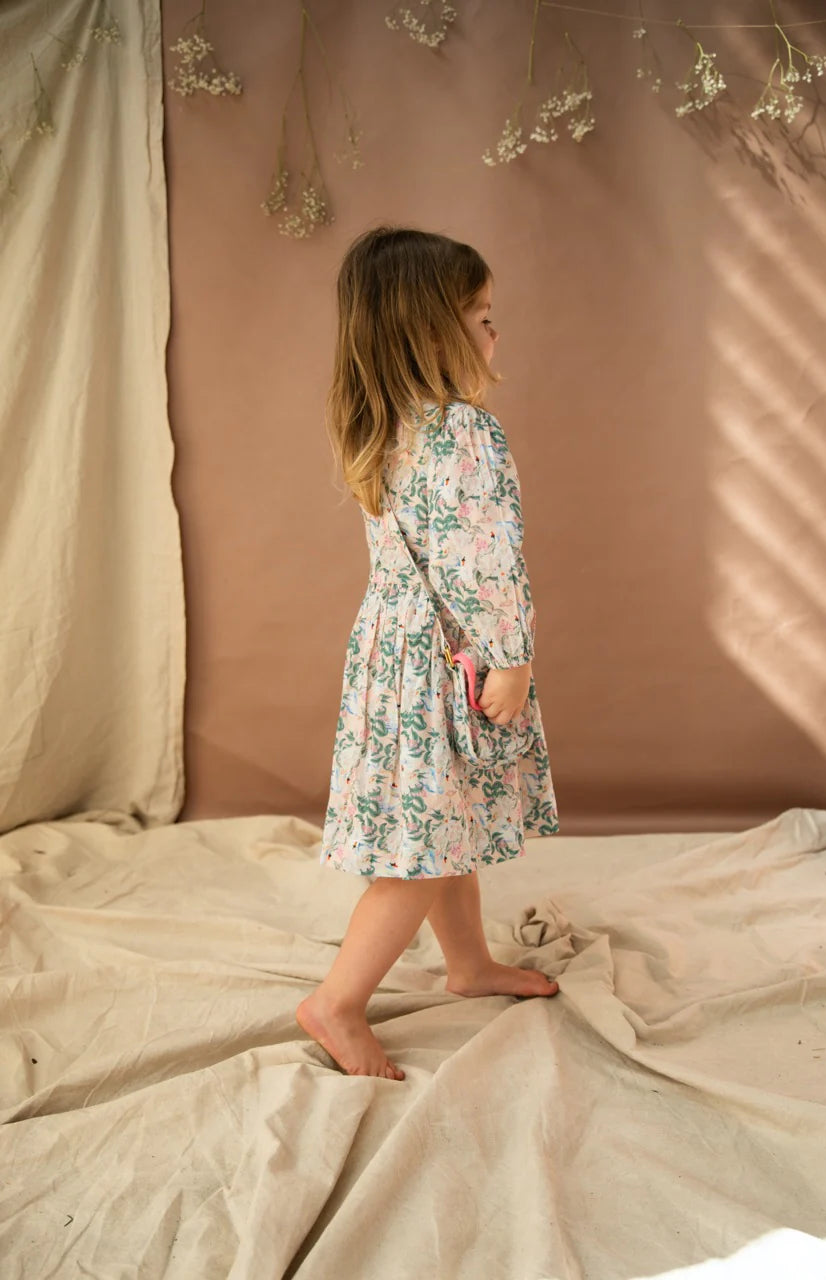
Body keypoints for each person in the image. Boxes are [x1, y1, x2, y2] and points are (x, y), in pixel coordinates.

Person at [296, 226, 560, 1081]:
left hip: (395, 651)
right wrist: (511, 657)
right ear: (429, 333)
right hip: (453, 655)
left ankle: (468, 963)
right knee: (422, 850)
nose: (495, 335)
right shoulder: (463, 433)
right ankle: (336, 1002)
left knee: (445, 823)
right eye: (481, 318)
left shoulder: (387, 426)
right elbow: (486, 562)